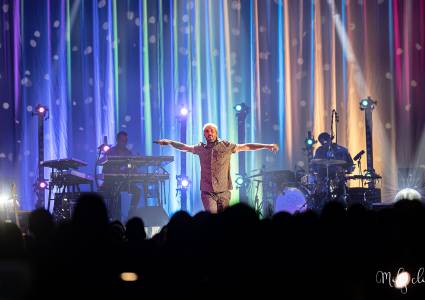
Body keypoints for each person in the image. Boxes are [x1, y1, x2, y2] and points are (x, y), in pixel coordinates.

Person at [156, 123, 279, 213]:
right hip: (208, 192)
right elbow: (184, 147)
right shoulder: (200, 148)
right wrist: (169, 142)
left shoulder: (226, 146)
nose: (209, 133)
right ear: (204, 134)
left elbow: (246, 146)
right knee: (212, 221)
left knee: (223, 223)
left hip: (224, 192)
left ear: (216, 133)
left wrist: (267, 146)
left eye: (212, 131)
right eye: (207, 131)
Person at [100, 131, 141, 220]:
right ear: (117, 140)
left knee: (137, 191)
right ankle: (116, 219)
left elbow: (130, 167)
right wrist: (118, 170)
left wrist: (134, 168)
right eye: (122, 140)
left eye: (125, 141)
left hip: (124, 182)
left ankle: (131, 211)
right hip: (111, 183)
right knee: (116, 196)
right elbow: (105, 169)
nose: (123, 142)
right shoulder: (110, 152)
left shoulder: (128, 153)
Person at [311, 132, 354, 207]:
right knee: (319, 189)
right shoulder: (319, 150)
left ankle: (341, 199)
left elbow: (350, 163)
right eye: (322, 142)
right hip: (323, 176)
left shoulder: (342, 150)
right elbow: (315, 164)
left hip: (337, 176)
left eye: (325, 140)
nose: (324, 143)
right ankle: (319, 203)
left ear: (330, 139)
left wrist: (345, 169)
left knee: (340, 187)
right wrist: (316, 172)